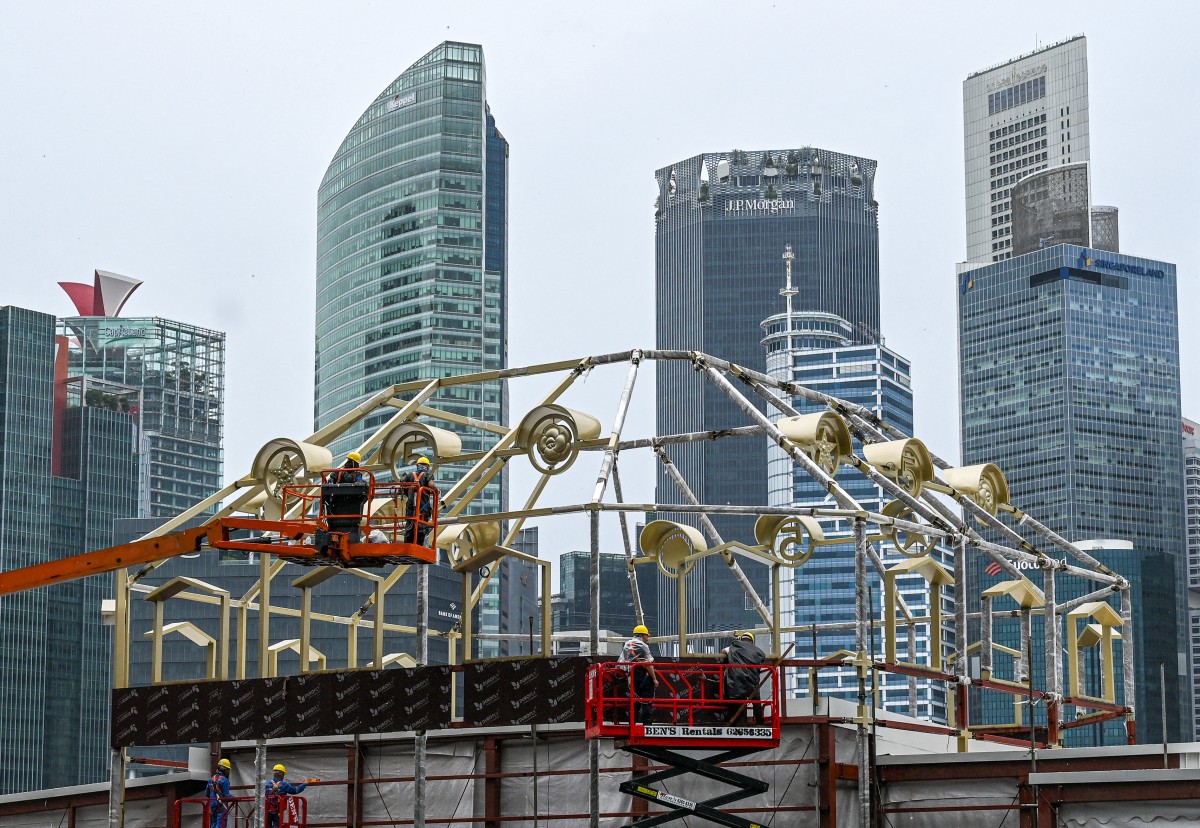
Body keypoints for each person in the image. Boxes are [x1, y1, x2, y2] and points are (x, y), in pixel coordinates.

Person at [721, 631, 767, 725]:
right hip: (752, 683)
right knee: (756, 699)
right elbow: (761, 660)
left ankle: (733, 723)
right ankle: (760, 721)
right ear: (752, 641)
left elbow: (723, 651)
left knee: (735, 700)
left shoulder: (733, 647)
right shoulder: (757, 651)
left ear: (741, 639)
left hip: (736, 681)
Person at [618, 624, 659, 726]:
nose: (647, 638)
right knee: (646, 702)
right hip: (643, 677)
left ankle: (632, 724)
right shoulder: (643, 646)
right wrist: (654, 679)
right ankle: (647, 726)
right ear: (642, 635)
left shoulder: (627, 644)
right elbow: (648, 664)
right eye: (646, 635)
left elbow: (621, 662)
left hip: (631, 678)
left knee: (634, 703)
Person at [400, 456, 438, 545]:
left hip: (410, 507)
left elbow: (402, 486)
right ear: (427, 466)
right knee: (421, 528)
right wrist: (436, 491)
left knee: (409, 527)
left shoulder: (410, 475)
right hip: (422, 508)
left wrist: (408, 494)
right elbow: (431, 484)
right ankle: (418, 546)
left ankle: (407, 546)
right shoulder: (427, 475)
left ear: (418, 465)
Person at [263, 763, 315, 828]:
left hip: (267, 811)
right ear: (282, 774)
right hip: (278, 811)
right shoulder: (284, 784)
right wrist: (305, 783)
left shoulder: (266, 783)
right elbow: (296, 790)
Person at [206, 758, 233, 828]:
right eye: (228, 770)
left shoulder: (211, 780)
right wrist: (235, 799)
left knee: (213, 824)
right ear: (224, 769)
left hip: (213, 807)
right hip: (221, 807)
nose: (229, 772)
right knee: (221, 824)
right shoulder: (224, 780)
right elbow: (226, 796)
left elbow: (207, 794)